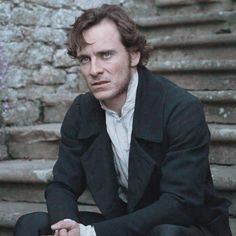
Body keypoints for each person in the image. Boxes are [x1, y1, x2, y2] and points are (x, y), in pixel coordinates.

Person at [14, 4, 232, 236]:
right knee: (32, 225)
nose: (94, 70)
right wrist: (66, 224)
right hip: (122, 223)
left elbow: (179, 203)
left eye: (105, 55)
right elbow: (62, 185)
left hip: (185, 224)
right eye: (84, 59)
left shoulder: (180, 108)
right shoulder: (81, 111)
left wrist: (91, 233)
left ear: (134, 55)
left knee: (166, 233)